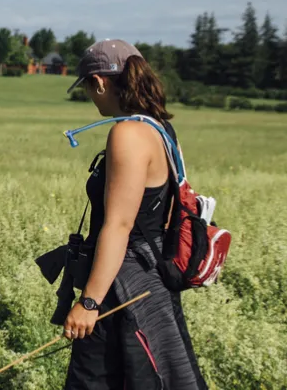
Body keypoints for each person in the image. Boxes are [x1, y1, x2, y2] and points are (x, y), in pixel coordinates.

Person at [61, 40, 207, 389]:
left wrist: (90, 302)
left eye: (86, 88)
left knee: (95, 381)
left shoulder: (126, 133)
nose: (90, 96)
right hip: (152, 281)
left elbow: (120, 224)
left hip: (122, 288)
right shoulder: (160, 129)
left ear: (100, 82)